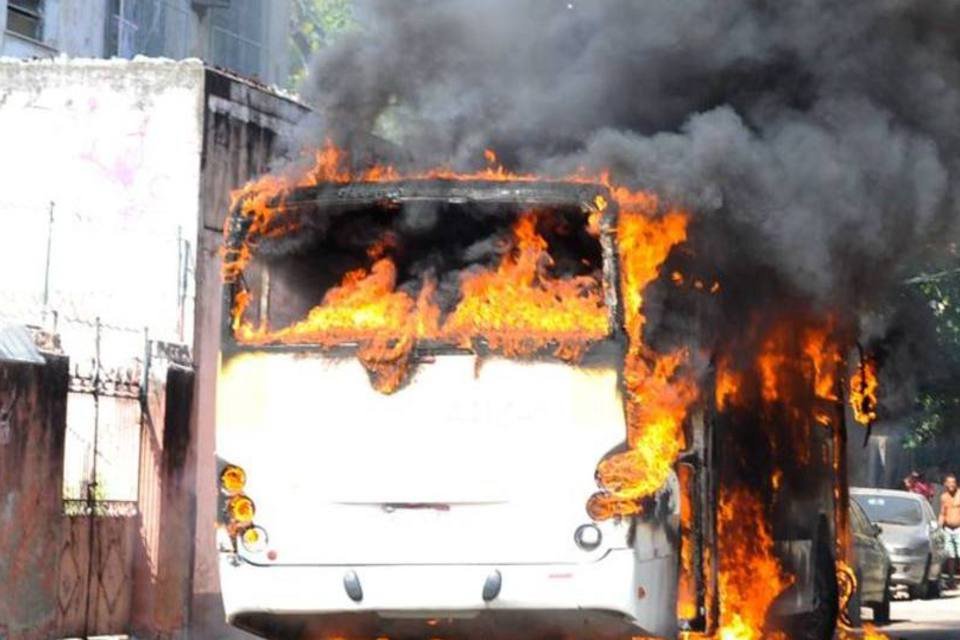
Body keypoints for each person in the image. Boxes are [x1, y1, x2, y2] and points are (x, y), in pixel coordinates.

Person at [939, 474, 960, 590]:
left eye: (953, 482)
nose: (951, 485)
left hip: (959, 529)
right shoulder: (944, 497)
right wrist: (938, 527)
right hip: (948, 529)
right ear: (945, 484)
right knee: (950, 556)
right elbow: (942, 513)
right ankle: (951, 580)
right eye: (949, 482)